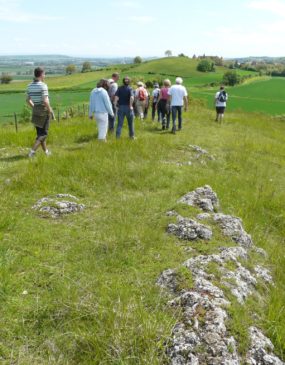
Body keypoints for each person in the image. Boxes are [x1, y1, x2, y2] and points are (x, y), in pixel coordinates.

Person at [26, 67, 53, 157]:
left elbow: (28, 100)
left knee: (40, 134)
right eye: (44, 74)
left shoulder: (29, 86)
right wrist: (50, 111)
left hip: (35, 110)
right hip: (44, 111)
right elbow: (45, 101)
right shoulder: (43, 85)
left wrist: (34, 107)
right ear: (41, 74)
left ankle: (46, 152)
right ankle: (32, 152)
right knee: (44, 134)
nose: (44, 76)